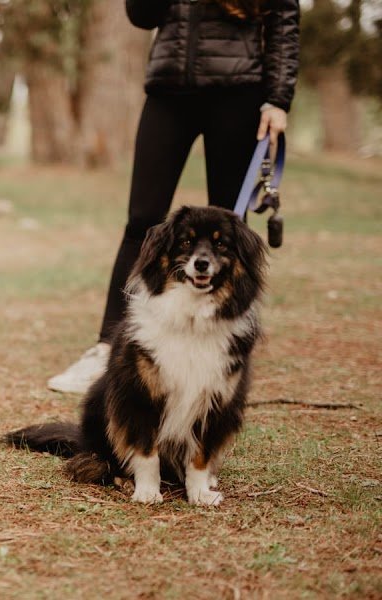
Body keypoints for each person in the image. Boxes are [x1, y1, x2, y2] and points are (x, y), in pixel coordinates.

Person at [48, 0, 299, 393]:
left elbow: (285, 20)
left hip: (238, 93)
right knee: (142, 221)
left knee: (231, 226)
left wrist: (279, 99)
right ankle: (108, 347)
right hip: (169, 94)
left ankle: (227, 349)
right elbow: (142, 15)